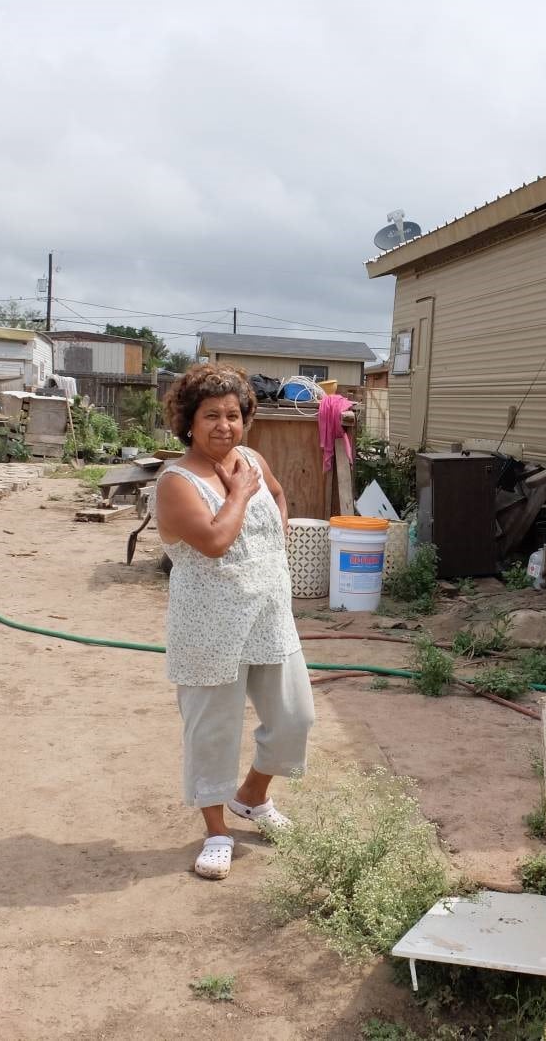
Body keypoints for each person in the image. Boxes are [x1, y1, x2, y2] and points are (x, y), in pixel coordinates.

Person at [155, 363, 314, 880]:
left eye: (232, 415)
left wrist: (276, 544)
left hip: (269, 616)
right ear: (188, 422)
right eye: (210, 416)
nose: (224, 426)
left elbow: (279, 493)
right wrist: (240, 494)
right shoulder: (176, 483)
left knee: (295, 718)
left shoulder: (250, 459)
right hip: (209, 625)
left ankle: (252, 797)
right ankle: (217, 831)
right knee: (213, 732)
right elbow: (217, 541)